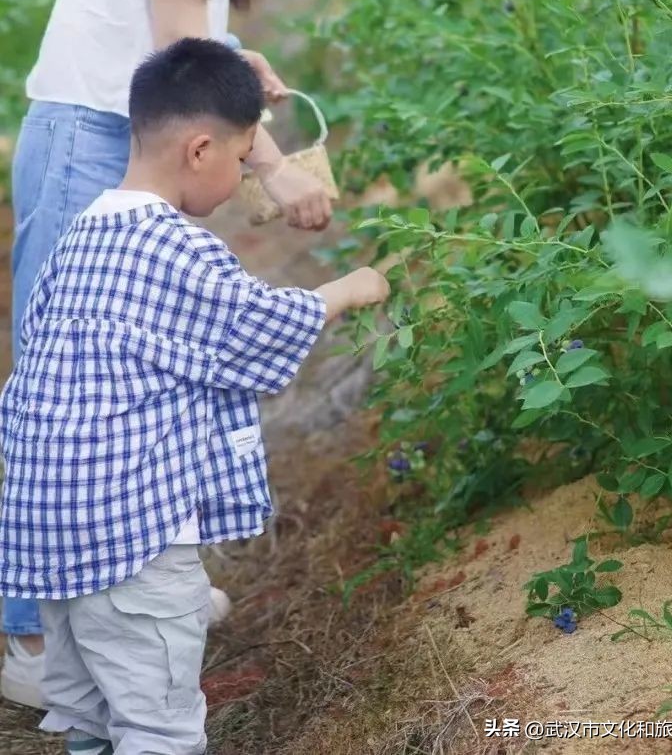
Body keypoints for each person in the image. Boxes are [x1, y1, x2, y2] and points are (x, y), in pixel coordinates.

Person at [2, 0, 359, 706]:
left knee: (134, 374)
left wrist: (247, 90)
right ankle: (32, 639)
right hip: (92, 140)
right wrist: (273, 164)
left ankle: (123, 589)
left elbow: (193, 45)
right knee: (69, 389)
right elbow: (177, 54)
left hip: (123, 136)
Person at [0, 38, 390, 755]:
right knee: (158, 727)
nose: (244, 176)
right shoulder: (175, 247)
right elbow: (258, 327)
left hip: (48, 532)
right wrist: (351, 288)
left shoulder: (83, 235)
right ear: (200, 149)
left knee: (87, 717)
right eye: (244, 160)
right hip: (131, 537)